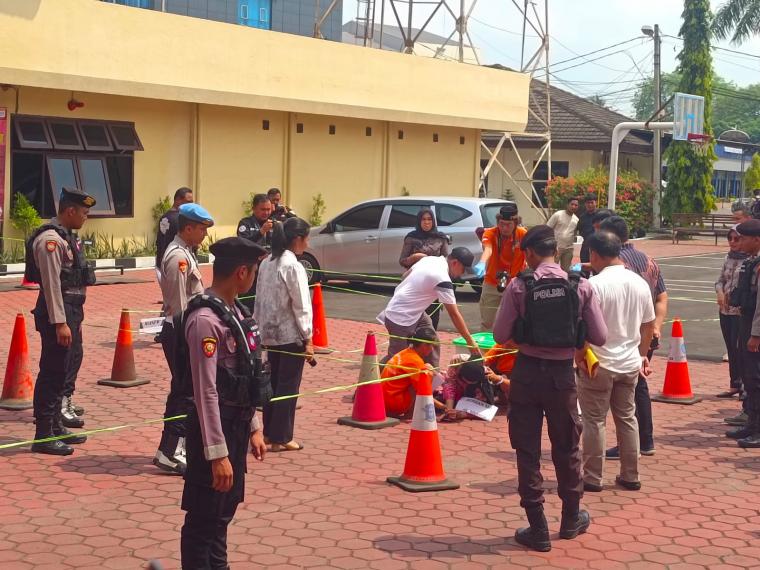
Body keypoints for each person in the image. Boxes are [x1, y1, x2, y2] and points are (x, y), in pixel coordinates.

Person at [493, 224, 607, 552]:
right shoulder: (580, 285)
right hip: (562, 378)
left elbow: (500, 335)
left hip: (526, 375)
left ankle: (537, 527)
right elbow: (600, 337)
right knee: (567, 447)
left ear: (529, 253)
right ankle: (571, 518)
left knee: (527, 450)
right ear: (556, 251)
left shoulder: (519, 286)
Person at [178, 236, 270, 568]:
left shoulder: (236, 311)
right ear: (242, 272)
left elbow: (250, 375)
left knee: (222, 515)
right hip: (213, 436)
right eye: (255, 270)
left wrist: (255, 427)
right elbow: (206, 391)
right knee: (204, 519)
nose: (255, 276)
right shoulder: (205, 319)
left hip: (236, 428)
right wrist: (217, 454)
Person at [577, 232, 655, 493]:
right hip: (630, 361)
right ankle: (631, 474)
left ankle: (592, 477)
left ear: (595, 255)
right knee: (627, 418)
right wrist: (642, 354)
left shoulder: (594, 285)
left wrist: (582, 356)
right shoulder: (639, 283)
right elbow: (648, 324)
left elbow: (582, 327)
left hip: (598, 362)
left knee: (595, 421)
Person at [25, 187, 97, 455]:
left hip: (70, 312)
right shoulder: (50, 241)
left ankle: (55, 426)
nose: (86, 217)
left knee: (62, 371)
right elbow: (52, 286)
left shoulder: (66, 237)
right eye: (84, 212)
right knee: (52, 372)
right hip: (58, 314)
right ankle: (43, 435)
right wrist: (60, 322)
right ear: (70, 211)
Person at [153, 203, 215, 475]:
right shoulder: (177, 258)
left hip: (183, 330)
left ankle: (170, 447)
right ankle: (171, 450)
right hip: (180, 331)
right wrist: (185, 340)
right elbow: (179, 307)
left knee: (183, 390)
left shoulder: (186, 253)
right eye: (201, 229)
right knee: (185, 393)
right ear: (187, 228)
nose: (204, 234)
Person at [599, 216, 667, 459]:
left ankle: (630, 444)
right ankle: (645, 440)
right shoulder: (649, 261)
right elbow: (662, 296)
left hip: (619, 335)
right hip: (644, 333)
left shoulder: (613, 265)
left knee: (618, 401)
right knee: (639, 388)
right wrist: (656, 326)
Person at [254, 217, 314, 452]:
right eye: (306, 239)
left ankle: (269, 432)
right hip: (290, 334)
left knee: (271, 385)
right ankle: (282, 436)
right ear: (297, 239)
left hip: (268, 333)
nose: (307, 245)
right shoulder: (293, 266)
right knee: (288, 387)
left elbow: (258, 300)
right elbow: (302, 304)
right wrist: (308, 336)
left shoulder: (267, 263)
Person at [379, 247, 481, 369]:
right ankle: (371, 378)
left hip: (414, 312)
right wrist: (470, 342)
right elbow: (454, 314)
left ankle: (432, 377)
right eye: (463, 270)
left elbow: (405, 275)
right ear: (455, 263)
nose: (462, 275)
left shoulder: (430, 259)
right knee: (397, 361)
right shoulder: (442, 279)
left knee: (431, 342)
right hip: (400, 317)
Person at [727, 218, 760, 447]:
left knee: (756, 380)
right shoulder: (753, 261)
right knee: (749, 378)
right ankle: (752, 423)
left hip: (755, 328)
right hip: (747, 322)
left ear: (757, 240)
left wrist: (756, 334)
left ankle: (757, 430)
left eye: (744, 238)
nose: (740, 242)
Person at [472, 204, 528, 330]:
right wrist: (482, 262)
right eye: (501, 224)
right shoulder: (490, 233)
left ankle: (510, 349)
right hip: (492, 282)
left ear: (516, 223)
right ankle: (485, 349)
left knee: (515, 322)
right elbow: (488, 249)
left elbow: (531, 253)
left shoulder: (522, 234)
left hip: (515, 284)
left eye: (508, 224)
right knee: (487, 323)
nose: (504, 228)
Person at [399, 208, 450, 329]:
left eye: (429, 219)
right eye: (423, 219)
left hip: (433, 284)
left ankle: (430, 347)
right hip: (414, 283)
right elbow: (402, 260)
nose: (426, 222)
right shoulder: (411, 238)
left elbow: (446, 261)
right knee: (414, 321)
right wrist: (415, 257)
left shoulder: (441, 238)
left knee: (432, 321)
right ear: (419, 221)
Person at [716, 227, 747, 400]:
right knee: (730, 348)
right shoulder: (728, 258)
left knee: (740, 347)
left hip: (739, 312)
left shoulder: (750, 259)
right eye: (730, 239)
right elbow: (720, 280)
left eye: (737, 239)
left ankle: (744, 385)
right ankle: (734, 383)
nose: (733, 242)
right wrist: (720, 292)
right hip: (725, 310)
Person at [381, 327, 437, 417]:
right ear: (424, 345)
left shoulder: (405, 352)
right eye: (431, 345)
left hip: (382, 400)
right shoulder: (415, 361)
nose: (432, 349)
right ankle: (411, 414)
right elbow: (423, 391)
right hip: (393, 404)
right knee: (425, 375)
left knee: (422, 373)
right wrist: (443, 407)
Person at [436, 358, 508, 420]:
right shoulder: (455, 369)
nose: (467, 384)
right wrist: (449, 409)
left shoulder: (486, 376)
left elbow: (485, 409)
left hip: (483, 388)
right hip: (460, 391)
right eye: (465, 381)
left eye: (471, 382)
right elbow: (449, 388)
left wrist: (461, 414)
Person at [237, 193, 274, 309]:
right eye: (263, 209)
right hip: (250, 274)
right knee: (248, 307)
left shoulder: (274, 223)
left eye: (268, 209)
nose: (266, 212)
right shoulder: (245, 223)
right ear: (254, 208)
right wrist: (261, 232)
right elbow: (243, 244)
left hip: (268, 273)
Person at [155, 187, 194, 271]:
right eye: (188, 202)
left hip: (164, 262)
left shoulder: (164, 217)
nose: (191, 205)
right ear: (178, 200)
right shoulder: (180, 219)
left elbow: (159, 242)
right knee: (181, 282)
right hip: (180, 261)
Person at [546, 196, 579, 271]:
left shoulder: (576, 219)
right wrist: (551, 245)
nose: (573, 206)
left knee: (566, 270)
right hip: (556, 248)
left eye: (576, 205)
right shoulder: (558, 215)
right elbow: (547, 229)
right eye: (572, 204)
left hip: (568, 249)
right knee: (552, 269)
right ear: (567, 205)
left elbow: (574, 233)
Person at [577, 194, 598, 264]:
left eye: (592, 202)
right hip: (586, 246)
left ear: (596, 203)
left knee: (598, 269)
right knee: (584, 268)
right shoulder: (582, 217)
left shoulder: (601, 215)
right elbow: (580, 230)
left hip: (598, 246)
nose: (589, 205)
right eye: (587, 203)